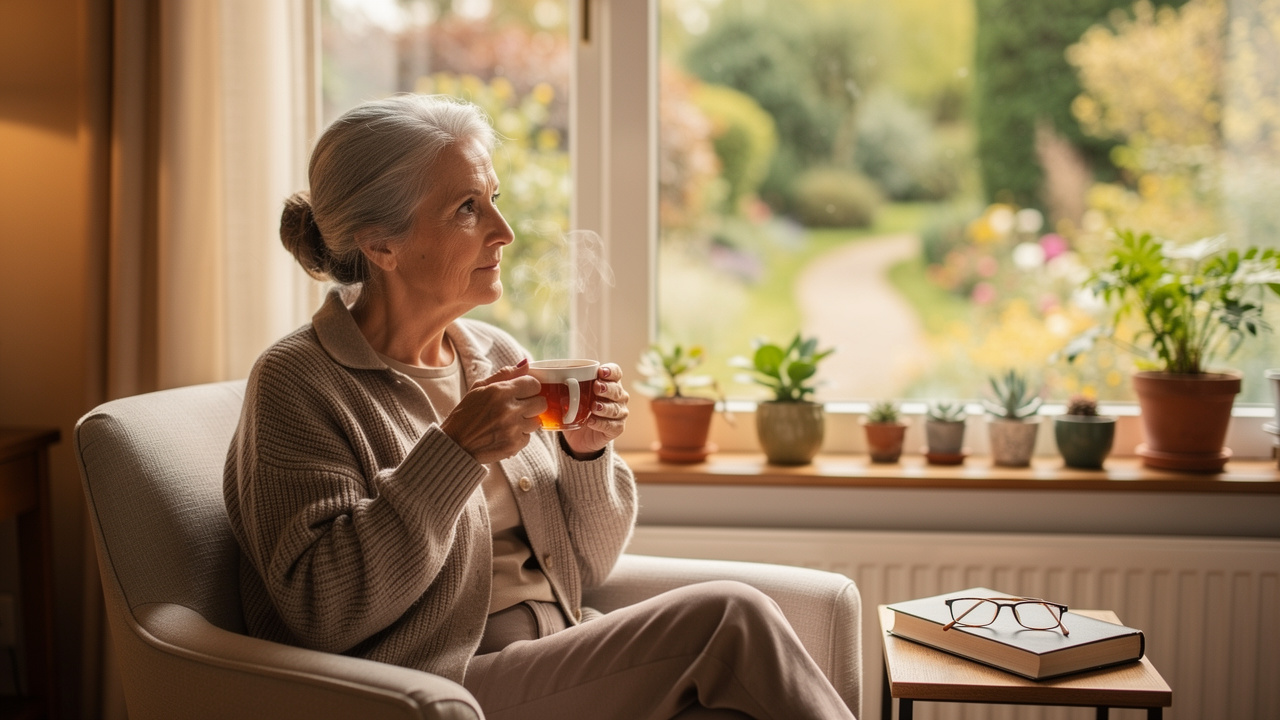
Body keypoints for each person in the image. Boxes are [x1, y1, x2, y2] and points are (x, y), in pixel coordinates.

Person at [224, 94, 855, 720]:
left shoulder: (494, 357)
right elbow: (319, 613)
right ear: (381, 245)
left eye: (493, 198)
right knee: (729, 618)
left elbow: (588, 564)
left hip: (559, 656)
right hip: (439, 688)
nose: (504, 231)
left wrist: (587, 453)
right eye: (467, 208)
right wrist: (452, 454)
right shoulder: (299, 383)